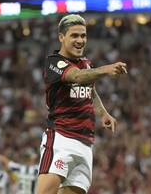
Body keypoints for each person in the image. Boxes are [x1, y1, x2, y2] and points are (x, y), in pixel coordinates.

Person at [36, 14, 127, 194]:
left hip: (85, 143)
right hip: (61, 139)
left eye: (83, 36)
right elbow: (76, 77)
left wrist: (103, 113)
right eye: (74, 35)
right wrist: (106, 70)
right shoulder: (53, 63)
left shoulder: (85, 63)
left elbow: (90, 90)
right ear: (62, 37)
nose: (80, 40)